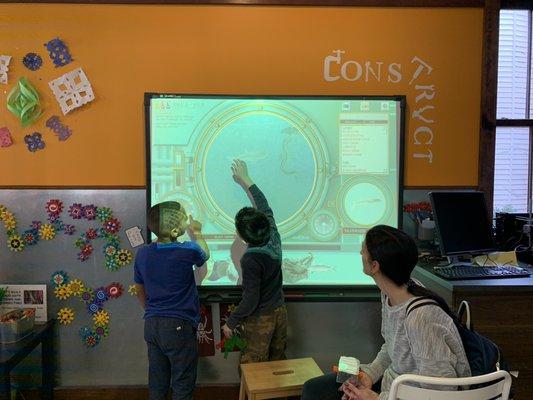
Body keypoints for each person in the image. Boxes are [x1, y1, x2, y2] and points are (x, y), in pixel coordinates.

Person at [301, 225, 470, 400]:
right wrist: (369, 375)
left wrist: (375, 398)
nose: (360, 253)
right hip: (391, 389)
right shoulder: (391, 294)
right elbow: (392, 348)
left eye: (364, 250)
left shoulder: (421, 318)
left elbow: (440, 393)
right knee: (313, 389)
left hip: (405, 395)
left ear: (375, 266)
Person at [134, 201, 210, 400]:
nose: (187, 220)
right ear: (176, 230)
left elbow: (139, 289)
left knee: (157, 382)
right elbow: (206, 255)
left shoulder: (142, 253)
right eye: (185, 218)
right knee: (182, 383)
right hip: (178, 325)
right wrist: (198, 233)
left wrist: (150, 310)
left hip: (152, 324)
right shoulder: (188, 250)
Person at [221, 159, 287, 365]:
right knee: (276, 366)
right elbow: (263, 204)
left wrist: (231, 323)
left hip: (261, 319)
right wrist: (245, 179)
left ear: (242, 237)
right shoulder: (273, 234)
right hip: (279, 312)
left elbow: (251, 298)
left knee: (253, 370)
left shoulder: (250, 259)